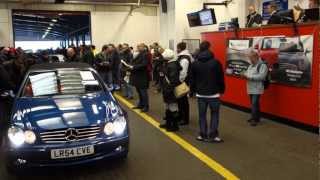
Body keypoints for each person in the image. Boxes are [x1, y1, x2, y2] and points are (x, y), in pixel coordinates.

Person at [190, 41, 225, 143]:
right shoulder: (216, 63)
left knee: (202, 115)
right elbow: (220, 78)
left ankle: (202, 135)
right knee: (214, 114)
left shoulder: (195, 63)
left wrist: (192, 91)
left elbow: (192, 79)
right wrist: (222, 89)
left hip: (200, 94)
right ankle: (213, 135)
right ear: (209, 48)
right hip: (214, 94)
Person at [240, 49, 268, 126]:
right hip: (250, 87)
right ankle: (256, 117)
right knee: (255, 104)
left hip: (257, 88)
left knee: (254, 104)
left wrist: (249, 76)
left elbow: (261, 76)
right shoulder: (251, 66)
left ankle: (254, 119)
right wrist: (244, 74)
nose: (250, 59)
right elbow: (247, 73)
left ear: (255, 57)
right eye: (249, 58)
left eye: (250, 58)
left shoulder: (262, 65)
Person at [158, 49, 181, 132]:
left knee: (173, 107)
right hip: (168, 89)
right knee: (168, 107)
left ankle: (174, 126)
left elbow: (173, 80)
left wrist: (168, 90)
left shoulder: (172, 66)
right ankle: (168, 123)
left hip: (170, 90)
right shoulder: (170, 64)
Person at [128, 44, 150, 112]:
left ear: (144, 47)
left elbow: (144, 64)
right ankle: (141, 104)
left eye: (139, 46)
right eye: (138, 46)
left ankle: (146, 106)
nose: (138, 48)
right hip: (137, 75)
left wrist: (134, 67)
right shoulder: (139, 54)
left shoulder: (145, 54)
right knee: (139, 91)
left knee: (143, 92)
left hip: (142, 76)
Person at [176, 42, 193, 126]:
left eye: (177, 48)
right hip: (182, 82)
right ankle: (181, 116)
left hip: (182, 82)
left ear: (179, 48)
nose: (176, 49)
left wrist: (179, 81)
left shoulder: (184, 59)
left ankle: (184, 119)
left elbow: (183, 72)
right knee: (180, 101)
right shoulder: (184, 57)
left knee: (183, 101)